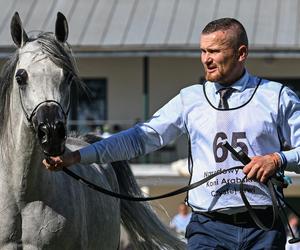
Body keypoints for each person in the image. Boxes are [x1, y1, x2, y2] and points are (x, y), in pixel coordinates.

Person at [43, 18, 300, 249]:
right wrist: (79, 156)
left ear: (241, 53)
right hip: (208, 228)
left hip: (263, 227)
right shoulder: (190, 99)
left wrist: (277, 160)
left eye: (214, 51)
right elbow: (140, 138)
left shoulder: (277, 97)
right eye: (203, 51)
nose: (205, 59)